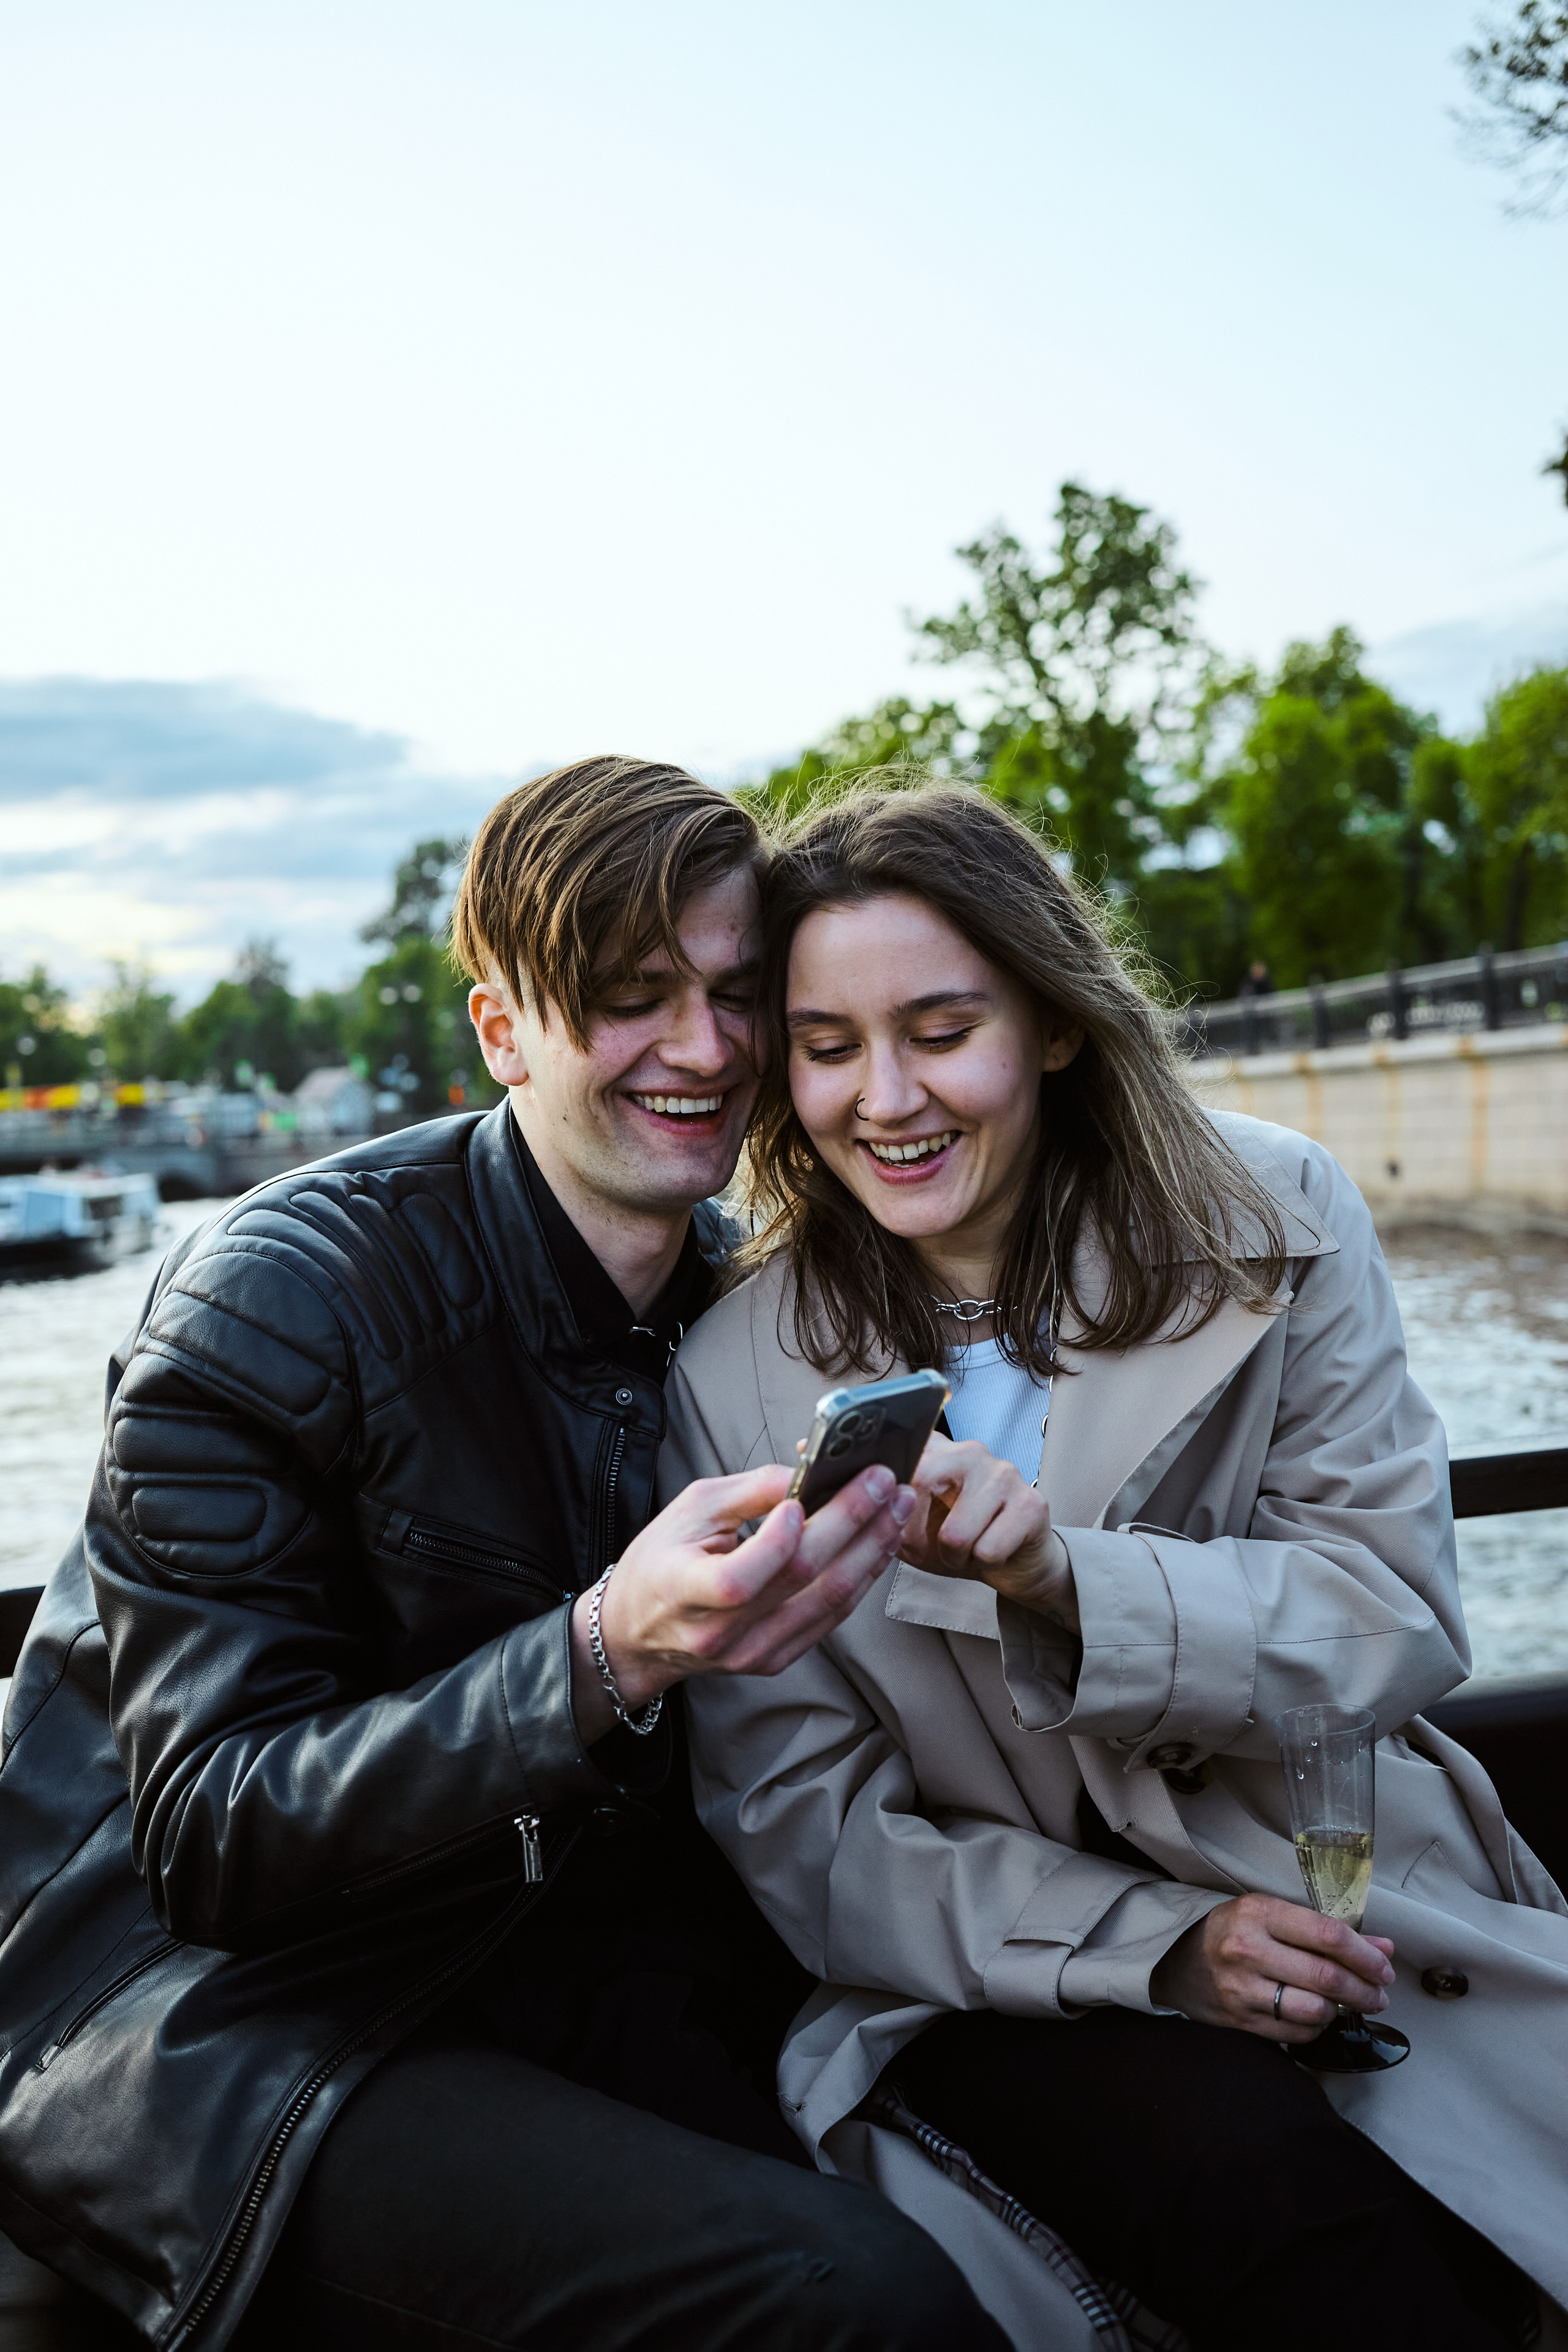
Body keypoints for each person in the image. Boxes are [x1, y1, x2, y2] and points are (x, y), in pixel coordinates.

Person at [0, 758, 1006, 2352]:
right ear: (501, 1032)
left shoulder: (744, 1305)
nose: (704, 1050)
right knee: (858, 2302)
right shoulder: (277, 1295)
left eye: (735, 994)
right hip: (209, 2032)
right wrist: (603, 1654)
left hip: (552, 1962)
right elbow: (208, 1840)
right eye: (627, 1000)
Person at [662, 777, 1568, 2352]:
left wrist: (1067, 1583)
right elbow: (807, 1826)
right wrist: (1153, 1947)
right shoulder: (726, 1372)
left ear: (1056, 1024)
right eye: (825, 1047)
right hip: (989, 1965)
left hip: (1346, 1889)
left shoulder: (1275, 1211)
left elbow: (1391, 1617)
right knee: (1284, 2213)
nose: (884, 1097)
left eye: (940, 1031)